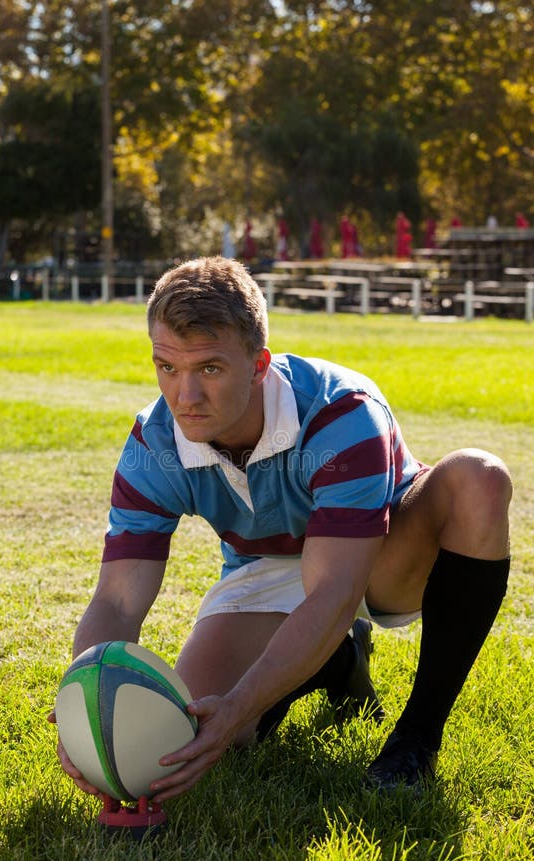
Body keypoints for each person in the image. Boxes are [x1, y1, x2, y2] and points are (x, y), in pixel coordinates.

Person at [54, 256, 511, 802]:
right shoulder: (154, 445)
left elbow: (336, 591)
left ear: (257, 364)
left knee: (479, 480)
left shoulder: (339, 414)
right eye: (167, 367)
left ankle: (417, 735)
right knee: (188, 730)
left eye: (210, 369)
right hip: (266, 569)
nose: (185, 396)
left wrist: (244, 701)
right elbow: (118, 600)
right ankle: (339, 661)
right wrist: (80, 708)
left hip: (379, 554)